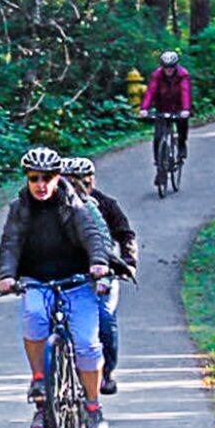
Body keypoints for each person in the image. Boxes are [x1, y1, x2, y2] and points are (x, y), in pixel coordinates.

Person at [0, 147, 124, 428]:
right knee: (34, 315)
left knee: (88, 346)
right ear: (27, 178)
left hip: (77, 281)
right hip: (38, 279)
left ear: (57, 177)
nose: (41, 185)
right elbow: (11, 243)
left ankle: (92, 406)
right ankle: (39, 379)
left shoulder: (75, 203)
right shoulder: (20, 207)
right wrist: (7, 276)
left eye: (47, 178)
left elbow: (92, 235)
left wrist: (99, 263)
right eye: (34, 178)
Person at [61, 156, 136, 401]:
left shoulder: (104, 205)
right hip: (68, 274)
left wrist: (129, 262)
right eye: (72, 180)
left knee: (104, 318)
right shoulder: (54, 205)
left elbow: (125, 235)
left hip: (103, 273)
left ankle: (106, 372)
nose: (79, 184)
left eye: (84, 179)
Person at [142, 50, 194, 156]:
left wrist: (186, 109)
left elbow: (185, 92)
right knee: (158, 137)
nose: (168, 70)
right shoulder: (157, 75)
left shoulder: (183, 74)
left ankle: (181, 145)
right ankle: (158, 165)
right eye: (166, 67)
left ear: (175, 66)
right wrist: (144, 108)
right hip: (162, 106)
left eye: (171, 67)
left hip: (179, 106)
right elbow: (151, 91)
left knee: (182, 127)